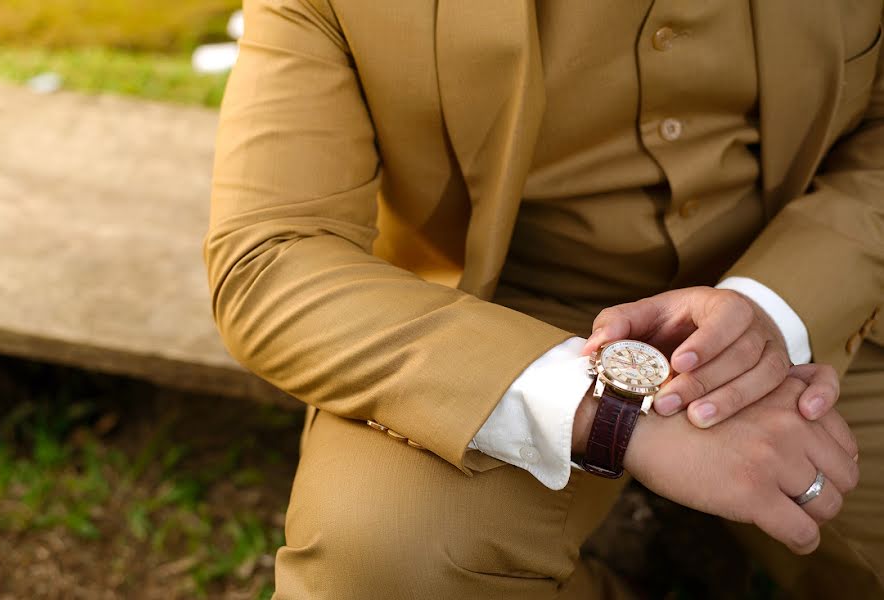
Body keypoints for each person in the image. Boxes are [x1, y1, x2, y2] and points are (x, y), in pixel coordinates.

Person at [202, 1, 884, 598]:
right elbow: (268, 255)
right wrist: (611, 414)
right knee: (383, 573)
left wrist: (775, 307)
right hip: (495, 317)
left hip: (813, 281)